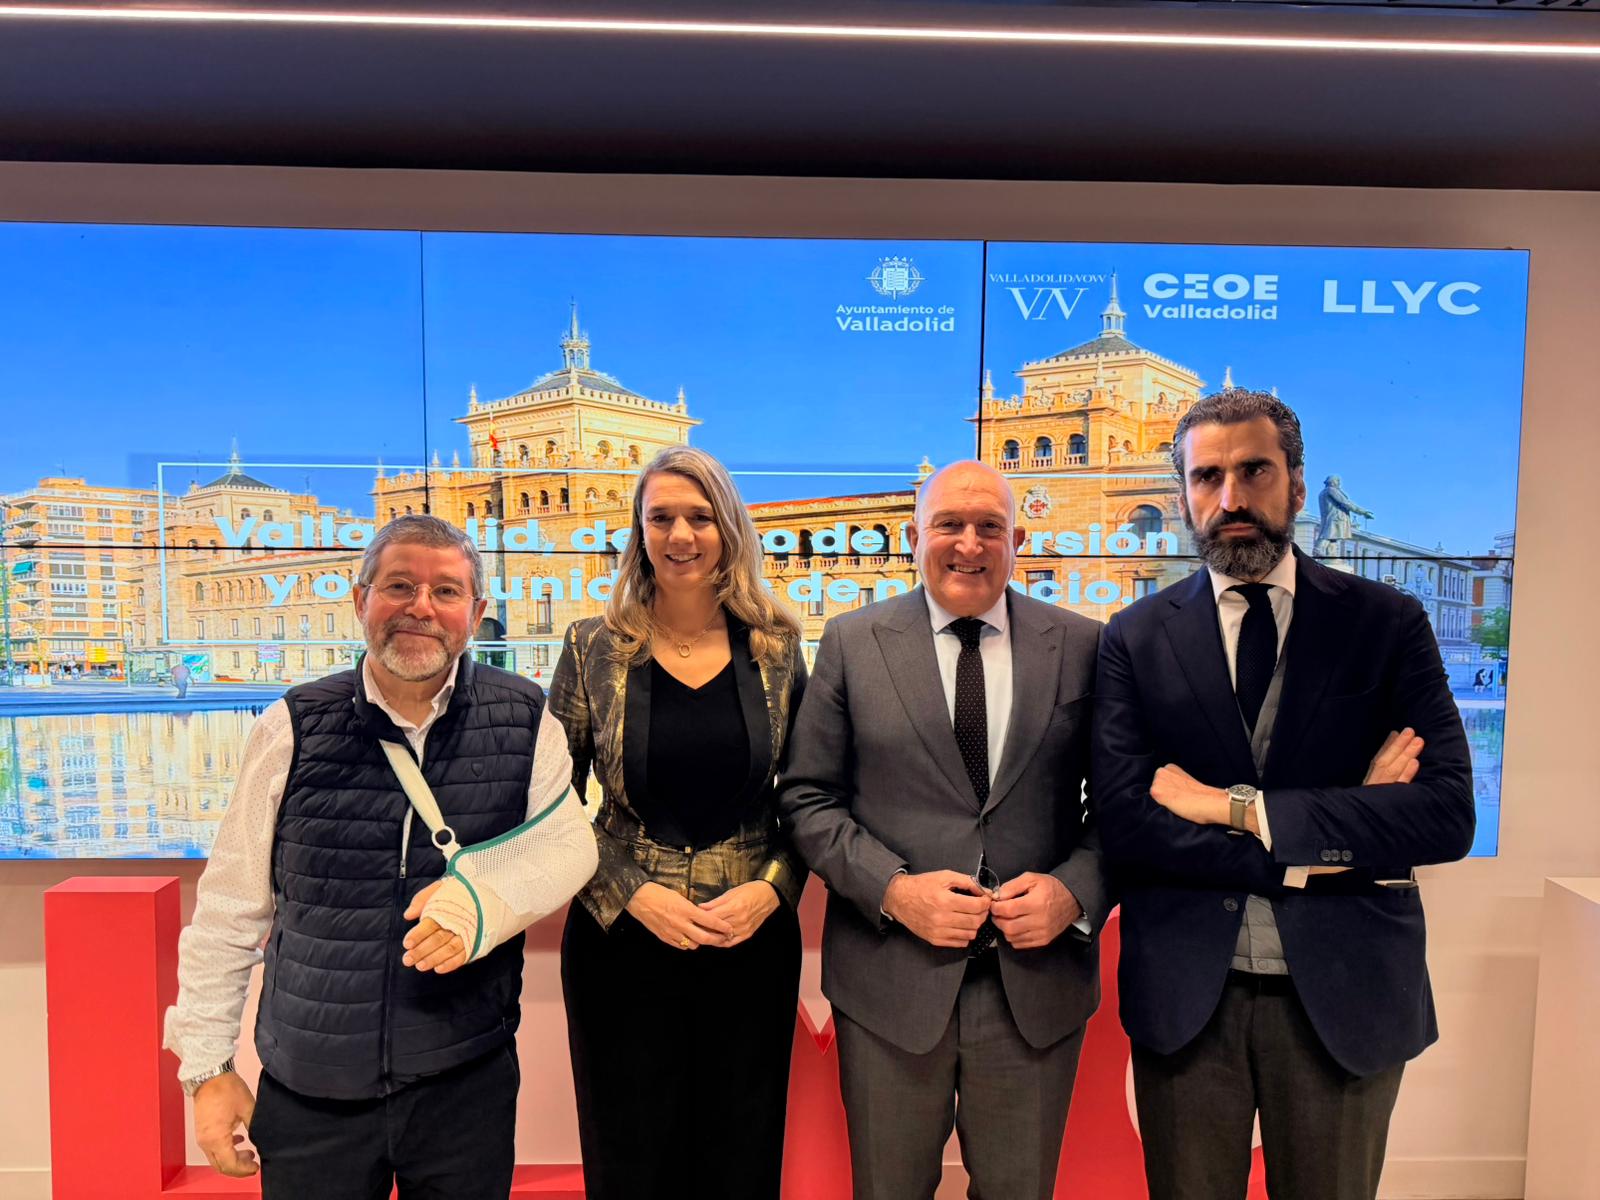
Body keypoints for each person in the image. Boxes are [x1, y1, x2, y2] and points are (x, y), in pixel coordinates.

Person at [1093, 388, 1475, 1200]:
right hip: (1187, 995)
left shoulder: (1385, 623)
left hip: (1348, 991)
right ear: (1184, 495)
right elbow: (1128, 824)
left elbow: (1446, 816)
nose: (1230, 498)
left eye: (1254, 471)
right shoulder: (1135, 636)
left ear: (1297, 485)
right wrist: (1325, 840)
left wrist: (1232, 808)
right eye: (1207, 477)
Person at [163, 514, 599, 1199]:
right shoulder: (292, 726)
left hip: (465, 1081)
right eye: (399, 586)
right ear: (361, 599)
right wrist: (207, 1068)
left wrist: (482, 901)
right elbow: (229, 910)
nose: (421, 607)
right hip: (310, 1087)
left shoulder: (524, 718)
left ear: (476, 612)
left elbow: (567, 846)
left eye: (446, 591)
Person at [779, 460, 1108, 1200]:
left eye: (990, 526)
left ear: (1017, 540)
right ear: (913, 536)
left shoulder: (1083, 644)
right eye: (949, 525)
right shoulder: (852, 642)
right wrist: (894, 892)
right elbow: (808, 798)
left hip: (1035, 989)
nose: (969, 544)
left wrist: (1072, 892)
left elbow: (1120, 807)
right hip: (890, 985)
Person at [548, 446, 808, 1200]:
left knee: (740, 1162)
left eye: (700, 517)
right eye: (660, 517)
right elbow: (549, 804)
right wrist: (631, 893)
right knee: (631, 1162)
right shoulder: (591, 647)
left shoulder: (778, 648)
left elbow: (810, 798)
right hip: (621, 946)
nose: (680, 535)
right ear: (639, 531)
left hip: (748, 942)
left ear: (729, 528)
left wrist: (772, 890)